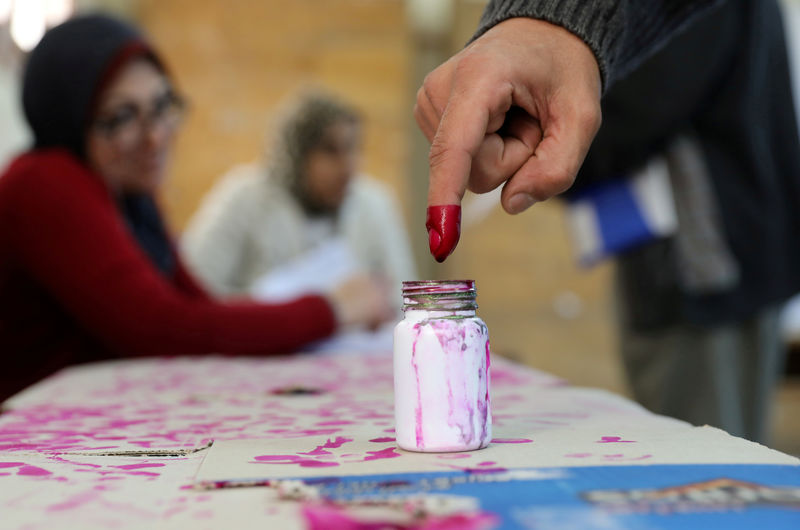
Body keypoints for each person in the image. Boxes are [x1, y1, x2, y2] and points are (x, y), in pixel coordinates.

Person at [416, 0, 800, 443]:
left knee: (701, 459)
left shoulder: (707, 18)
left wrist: (543, 130)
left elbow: (640, 111)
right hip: (719, 254)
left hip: (706, 268)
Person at [0, 14, 390, 403]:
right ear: (67, 115)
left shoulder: (128, 195)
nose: (155, 136)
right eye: (121, 117)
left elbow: (197, 308)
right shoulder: (44, 181)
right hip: (23, 442)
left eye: (162, 105)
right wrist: (333, 309)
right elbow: (163, 329)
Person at [182, 91, 416, 319]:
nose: (347, 166)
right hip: (257, 347)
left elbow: (404, 299)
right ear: (297, 155)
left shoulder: (374, 205)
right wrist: (269, 313)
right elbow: (195, 290)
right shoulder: (245, 200)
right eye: (330, 150)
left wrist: (373, 308)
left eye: (352, 148)